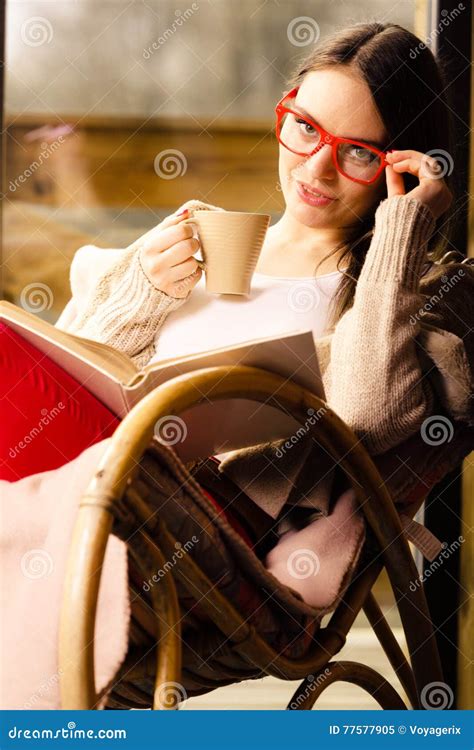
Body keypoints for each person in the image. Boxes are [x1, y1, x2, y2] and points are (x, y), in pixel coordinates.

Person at [3, 21, 473, 563]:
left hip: (190, 546)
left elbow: (369, 422)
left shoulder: (392, 298)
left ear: (406, 168)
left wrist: (401, 230)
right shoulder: (193, 240)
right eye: (305, 126)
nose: (316, 167)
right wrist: (141, 299)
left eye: (359, 153)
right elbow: (57, 391)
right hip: (76, 493)